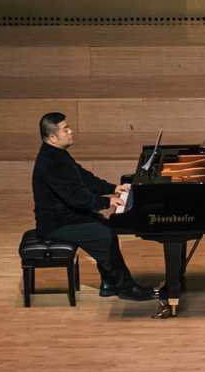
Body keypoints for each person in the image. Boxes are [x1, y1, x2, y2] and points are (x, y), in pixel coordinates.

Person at [32, 112, 154, 301]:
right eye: (65, 129)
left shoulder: (57, 154)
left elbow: (84, 178)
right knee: (104, 234)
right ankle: (126, 288)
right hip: (56, 223)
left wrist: (112, 188)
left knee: (108, 228)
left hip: (67, 216)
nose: (71, 132)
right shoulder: (50, 163)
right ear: (52, 137)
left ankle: (108, 283)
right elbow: (75, 197)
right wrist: (106, 201)